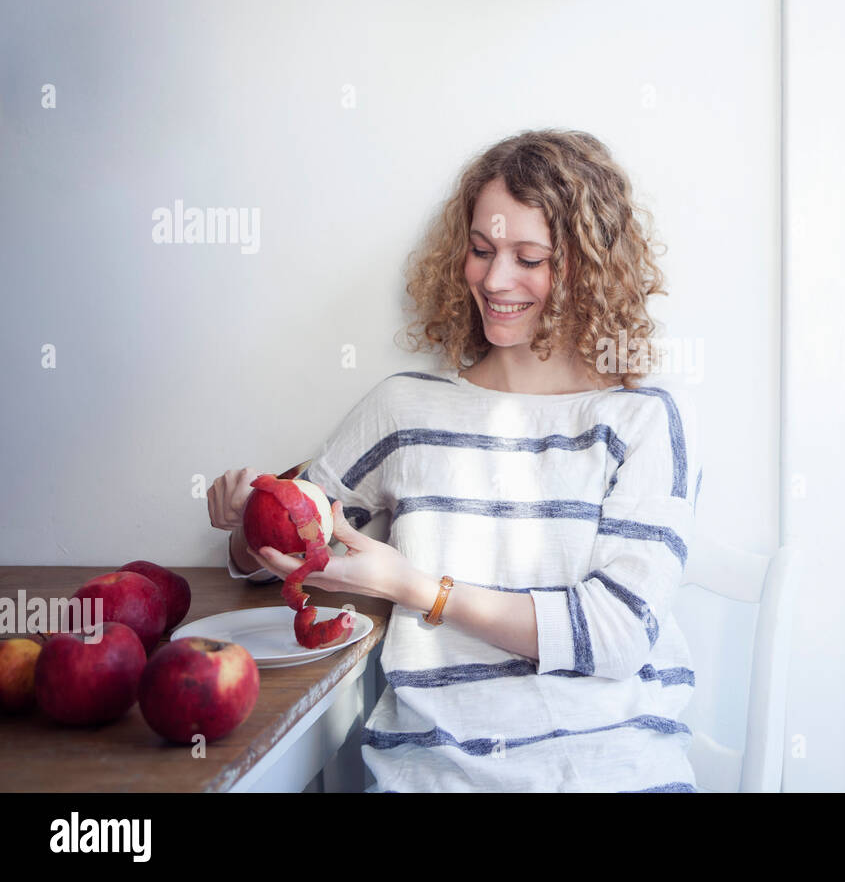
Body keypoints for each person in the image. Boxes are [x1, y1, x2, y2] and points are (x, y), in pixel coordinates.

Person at [207, 129, 703, 792]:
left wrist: (418, 590)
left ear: (589, 268)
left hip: (618, 771)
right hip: (439, 776)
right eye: (481, 250)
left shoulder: (645, 418)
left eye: (529, 257)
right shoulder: (406, 410)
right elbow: (290, 556)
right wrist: (244, 527)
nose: (495, 280)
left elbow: (615, 637)